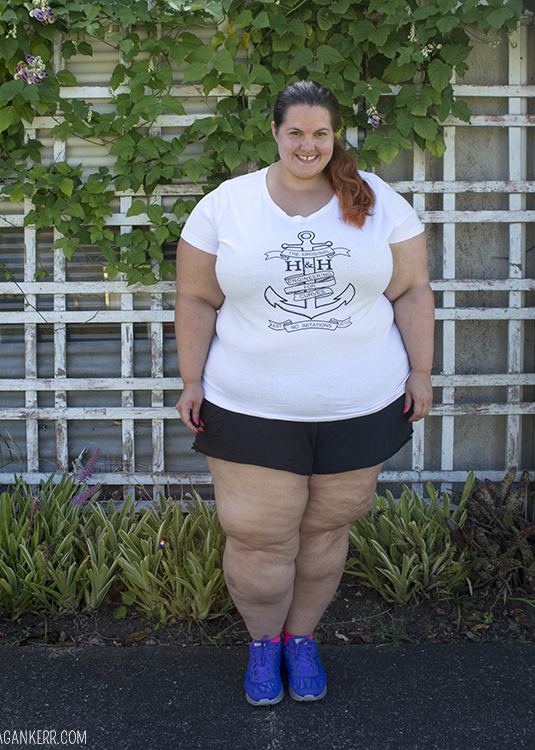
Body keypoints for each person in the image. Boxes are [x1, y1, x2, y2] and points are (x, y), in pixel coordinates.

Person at [174, 80, 434, 706]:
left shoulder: (379, 203)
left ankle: (301, 638)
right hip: (250, 404)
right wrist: (190, 380)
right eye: (296, 132)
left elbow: (412, 291)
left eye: (320, 133)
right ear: (275, 133)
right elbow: (196, 297)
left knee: (324, 534)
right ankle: (264, 646)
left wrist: (421, 372)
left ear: (334, 135)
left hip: (360, 404)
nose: (308, 145)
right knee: (260, 535)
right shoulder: (225, 207)